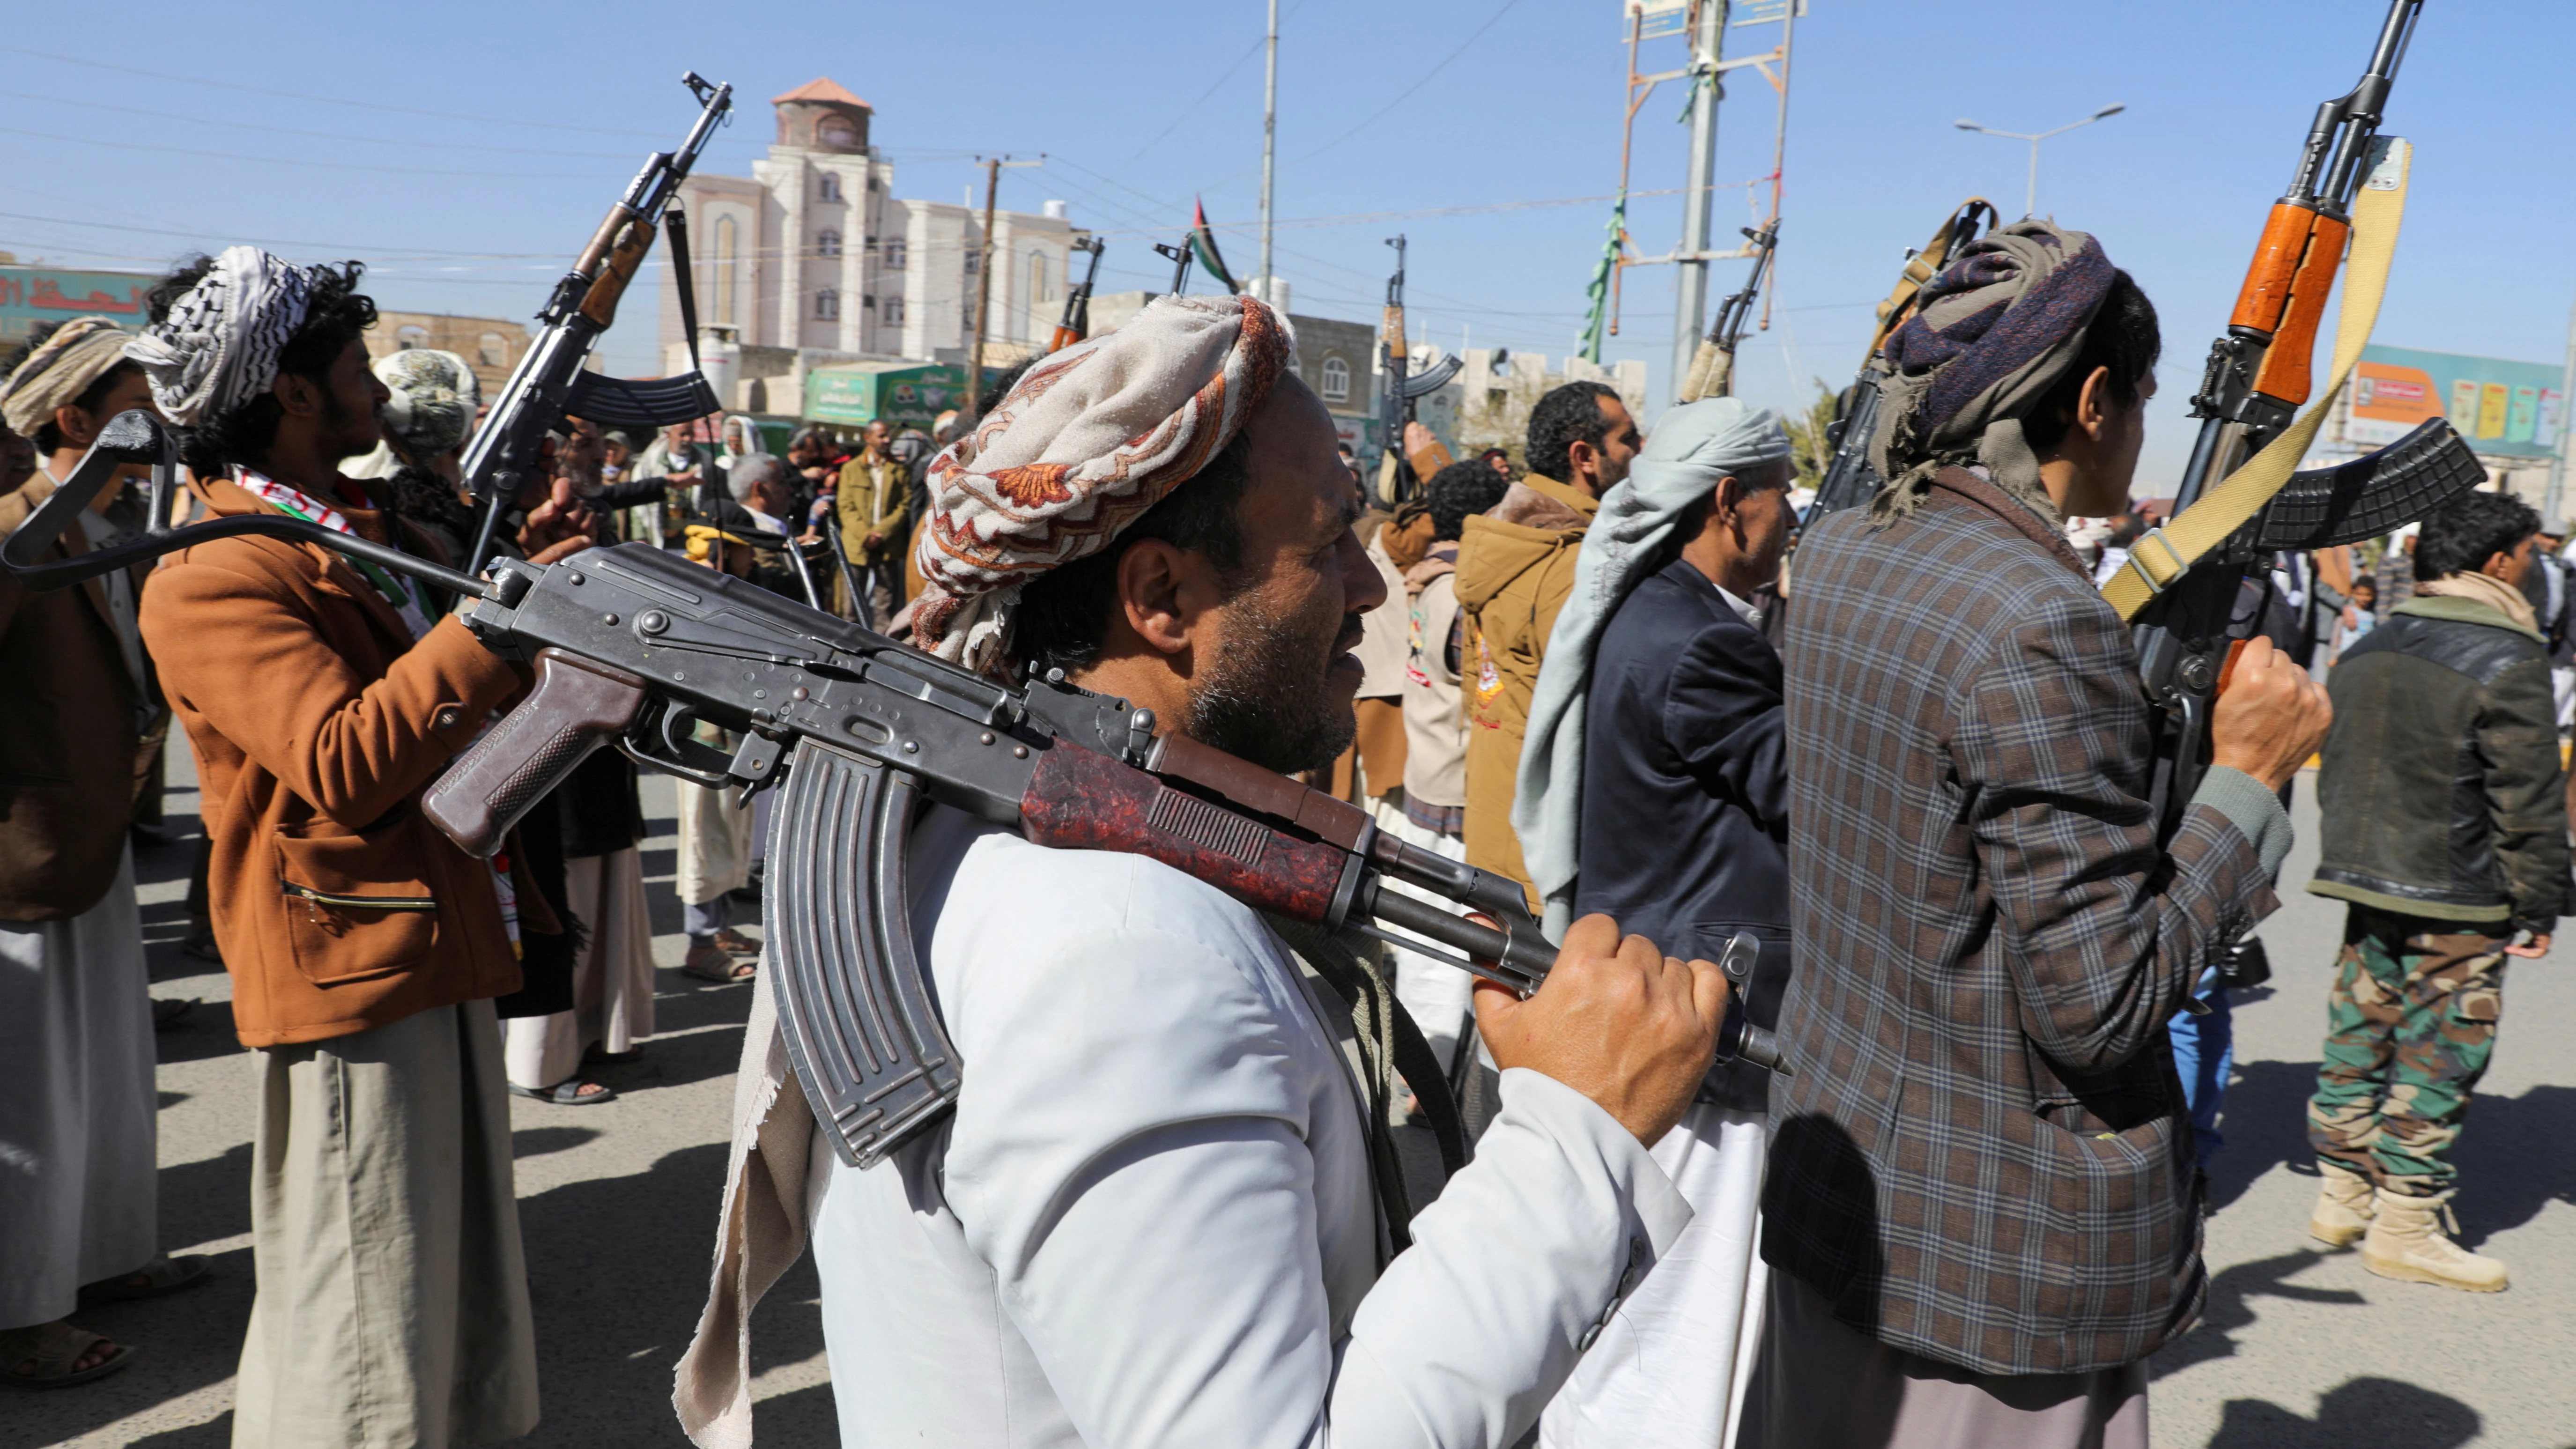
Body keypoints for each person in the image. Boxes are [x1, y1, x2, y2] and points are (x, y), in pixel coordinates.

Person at [675, 294, 1736, 1449]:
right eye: (1329, 539)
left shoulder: (1011, 830)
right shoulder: (1123, 959)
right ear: (1162, 599)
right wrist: (1578, 1136)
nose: (1370, 583)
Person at [1749, 222, 2331, 1447]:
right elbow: (2102, 1001)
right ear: (2090, 398)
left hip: (1842, 1194)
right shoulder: (2038, 619)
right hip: (1990, 1259)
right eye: (2143, 401)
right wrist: (2245, 782)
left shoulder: (1840, 549)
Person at [129, 248, 591, 1447]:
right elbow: (341, 760)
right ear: (287, 395)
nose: (377, 391)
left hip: (422, 942)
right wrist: (494, 623)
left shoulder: (327, 531)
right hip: (353, 970)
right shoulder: (216, 570)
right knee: (362, 1318)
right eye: (350, 370)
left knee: (437, 1296)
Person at [1515, 398, 1798, 1448]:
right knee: (1672, 1348)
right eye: (1783, 503)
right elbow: (1807, 786)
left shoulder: (1666, 611)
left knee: (1641, 1330)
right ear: (1730, 502)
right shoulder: (1694, 642)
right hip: (1692, 1022)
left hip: (1657, 993)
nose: (1792, 527)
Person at [0, 318, 209, 1389]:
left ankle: (109, 1255)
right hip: (24, 859)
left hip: (96, 840)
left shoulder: (111, 524)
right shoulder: (15, 526)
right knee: (28, 1094)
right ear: (72, 420)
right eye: (135, 405)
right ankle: (21, 1314)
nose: (160, 428)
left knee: (108, 1070)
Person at [2303, 489, 2567, 1294]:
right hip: (2460, 890)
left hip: (2362, 871)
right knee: (2439, 1057)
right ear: (2497, 562)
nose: (2537, 568)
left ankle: (2340, 1196)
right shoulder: (2508, 656)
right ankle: (2406, 1226)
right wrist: (2539, 901)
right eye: (2530, 553)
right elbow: (2526, 799)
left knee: (2357, 1037)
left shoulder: (2375, 641)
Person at [1455, 380, 1643, 899]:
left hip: (1500, 821)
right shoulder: (1572, 564)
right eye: (1629, 439)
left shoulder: (1503, 539)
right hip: (1548, 853)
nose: (1640, 452)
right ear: (1584, 457)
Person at [1385, 461, 1510, 1072]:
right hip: (1460, 789)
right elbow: (1486, 692)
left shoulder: (1425, 580)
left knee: (1423, 940)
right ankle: (1442, 1070)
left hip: (1424, 773)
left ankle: (1419, 1067)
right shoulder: (1468, 595)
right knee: (1459, 939)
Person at [834, 419, 908, 626]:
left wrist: (881, 533)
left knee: (886, 604)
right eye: (881, 436)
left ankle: (881, 647)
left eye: (888, 436)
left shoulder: (899, 469)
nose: (887, 440)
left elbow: (904, 506)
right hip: (858, 544)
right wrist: (866, 535)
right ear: (868, 438)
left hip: (888, 544)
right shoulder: (851, 469)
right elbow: (845, 507)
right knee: (851, 605)